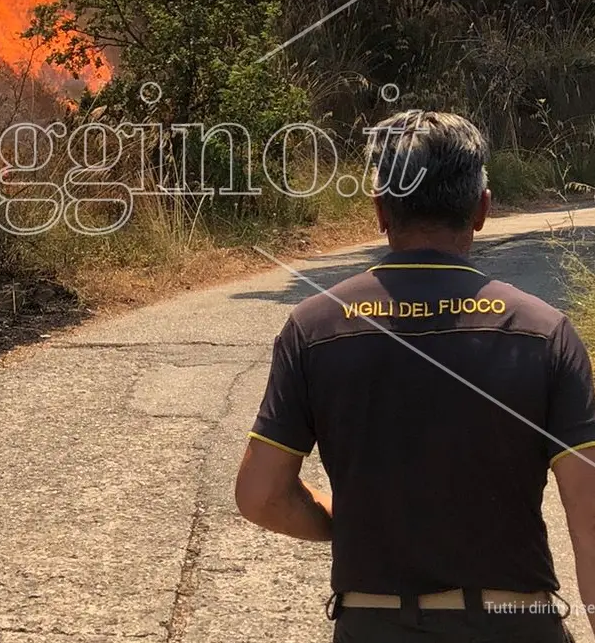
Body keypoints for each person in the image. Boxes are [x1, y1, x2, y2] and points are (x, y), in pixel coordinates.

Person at [235, 111, 595, 642]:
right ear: (482, 209)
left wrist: (350, 519)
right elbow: (589, 517)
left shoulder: (314, 327)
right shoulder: (544, 332)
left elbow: (260, 495)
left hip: (373, 624)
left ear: (381, 210)